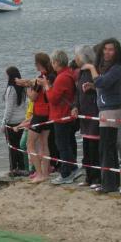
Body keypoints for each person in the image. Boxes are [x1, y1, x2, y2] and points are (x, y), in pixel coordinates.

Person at [82, 39, 121, 194]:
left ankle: (109, 184)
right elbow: (104, 86)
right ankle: (111, 182)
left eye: (110, 49)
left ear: (116, 51)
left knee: (107, 148)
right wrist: (93, 87)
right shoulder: (109, 67)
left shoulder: (117, 68)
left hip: (111, 111)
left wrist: (91, 68)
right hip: (106, 109)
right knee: (108, 148)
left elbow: (102, 82)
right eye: (105, 49)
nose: (107, 52)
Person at [41, 50, 77, 184]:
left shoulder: (62, 77)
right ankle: (73, 168)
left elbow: (53, 98)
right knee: (66, 143)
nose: (52, 64)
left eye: (53, 62)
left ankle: (66, 173)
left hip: (62, 115)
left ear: (56, 62)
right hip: (66, 114)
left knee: (62, 145)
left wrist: (46, 86)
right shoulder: (69, 73)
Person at [18, 53, 55, 183]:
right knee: (44, 144)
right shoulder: (52, 75)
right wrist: (29, 82)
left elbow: (33, 97)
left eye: (36, 64)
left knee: (30, 145)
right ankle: (45, 173)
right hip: (49, 113)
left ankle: (39, 173)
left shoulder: (41, 78)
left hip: (39, 114)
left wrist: (27, 88)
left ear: (39, 64)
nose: (35, 66)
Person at [71, 44, 101, 187]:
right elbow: (77, 93)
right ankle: (88, 177)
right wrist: (75, 107)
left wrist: (93, 88)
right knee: (87, 148)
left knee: (94, 148)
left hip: (94, 113)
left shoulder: (94, 71)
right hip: (84, 115)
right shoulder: (82, 73)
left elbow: (101, 88)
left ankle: (96, 178)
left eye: (77, 56)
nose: (75, 59)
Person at [2, 66, 28, 176]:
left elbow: (9, 108)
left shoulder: (10, 89)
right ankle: (22, 167)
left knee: (12, 147)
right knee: (20, 146)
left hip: (12, 122)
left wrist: (4, 123)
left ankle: (13, 169)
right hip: (22, 120)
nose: (6, 77)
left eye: (7, 75)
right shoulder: (23, 88)